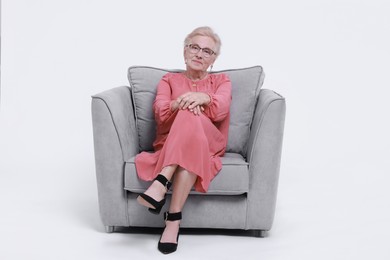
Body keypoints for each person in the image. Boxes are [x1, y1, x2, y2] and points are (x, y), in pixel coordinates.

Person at [135, 26, 232, 254]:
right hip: (172, 143)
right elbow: (160, 113)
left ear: (213, 59)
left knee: (190, 111)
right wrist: (178, 103)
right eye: (195, 47)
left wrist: (204, 97)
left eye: (207, 51)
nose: (199, 54)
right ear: (185, 51)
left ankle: (161, 182)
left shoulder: (222, 81)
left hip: (210, 142)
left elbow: (221, 111)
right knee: (187, 112)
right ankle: (173, 220)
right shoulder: (168, 80)